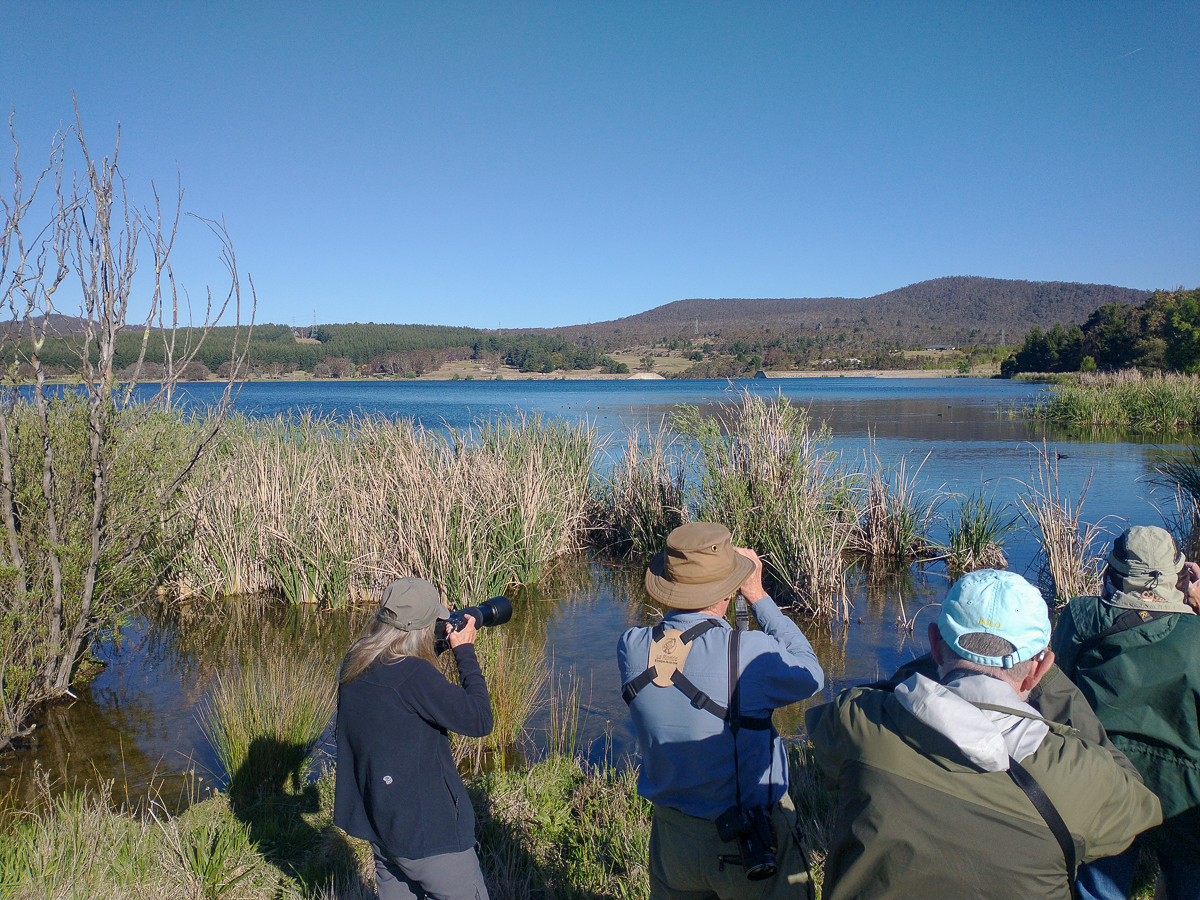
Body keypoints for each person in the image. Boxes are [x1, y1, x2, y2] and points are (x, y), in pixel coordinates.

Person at [806, 569, 1161, 900]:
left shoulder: (862, 723)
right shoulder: (1079, 775)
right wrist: (1052, 685)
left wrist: (938, 668)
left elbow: (827, 733)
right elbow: (1138, 805)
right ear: (1040, 668)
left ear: (933, 643)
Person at [617, 522, 825, 900]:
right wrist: (759, 596)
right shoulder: (748, 652)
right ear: (729, 590)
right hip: (748, 837)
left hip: (671, 840)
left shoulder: (631, 647)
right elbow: (811, 675)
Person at [1052, 526, 1200, 900]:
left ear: (1113, 573)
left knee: (1100, 887)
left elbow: (1057, 687)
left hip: (1103, 780)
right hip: (1184, 791)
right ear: (1180, 575)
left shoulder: (1080, 618)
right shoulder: (1195, 633)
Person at [334, 577, 493, 900]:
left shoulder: (355, 662)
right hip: (431, 837)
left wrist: (441, 640)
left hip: (383, 826)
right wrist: (464, 651)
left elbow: (398, 660)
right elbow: (479, 720)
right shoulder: (414, 675)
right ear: (423, 626)